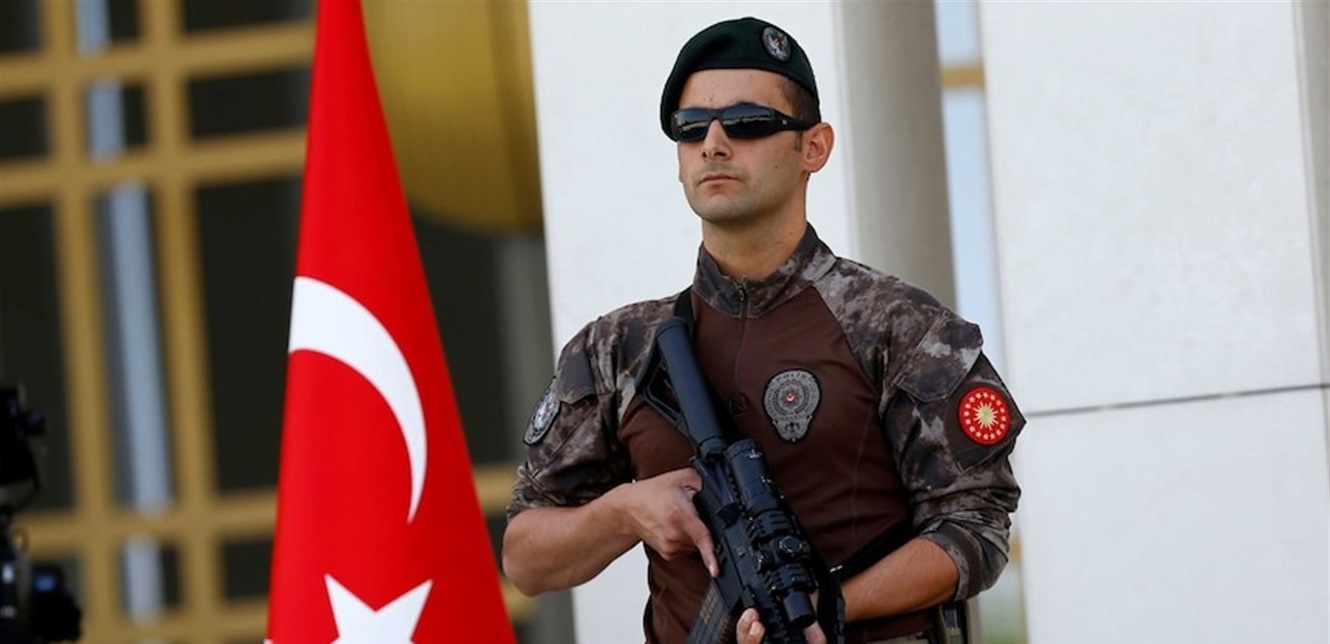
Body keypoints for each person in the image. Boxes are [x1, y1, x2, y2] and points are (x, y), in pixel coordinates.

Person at [504, 16, 1022, 644]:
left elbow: (976, 529)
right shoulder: (617, 349)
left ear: (814, 148)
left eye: (747, 122)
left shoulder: (898, 327)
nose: (713, 144)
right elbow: (525, 558)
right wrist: (624, 513)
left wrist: (829, 608)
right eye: (691, 127)